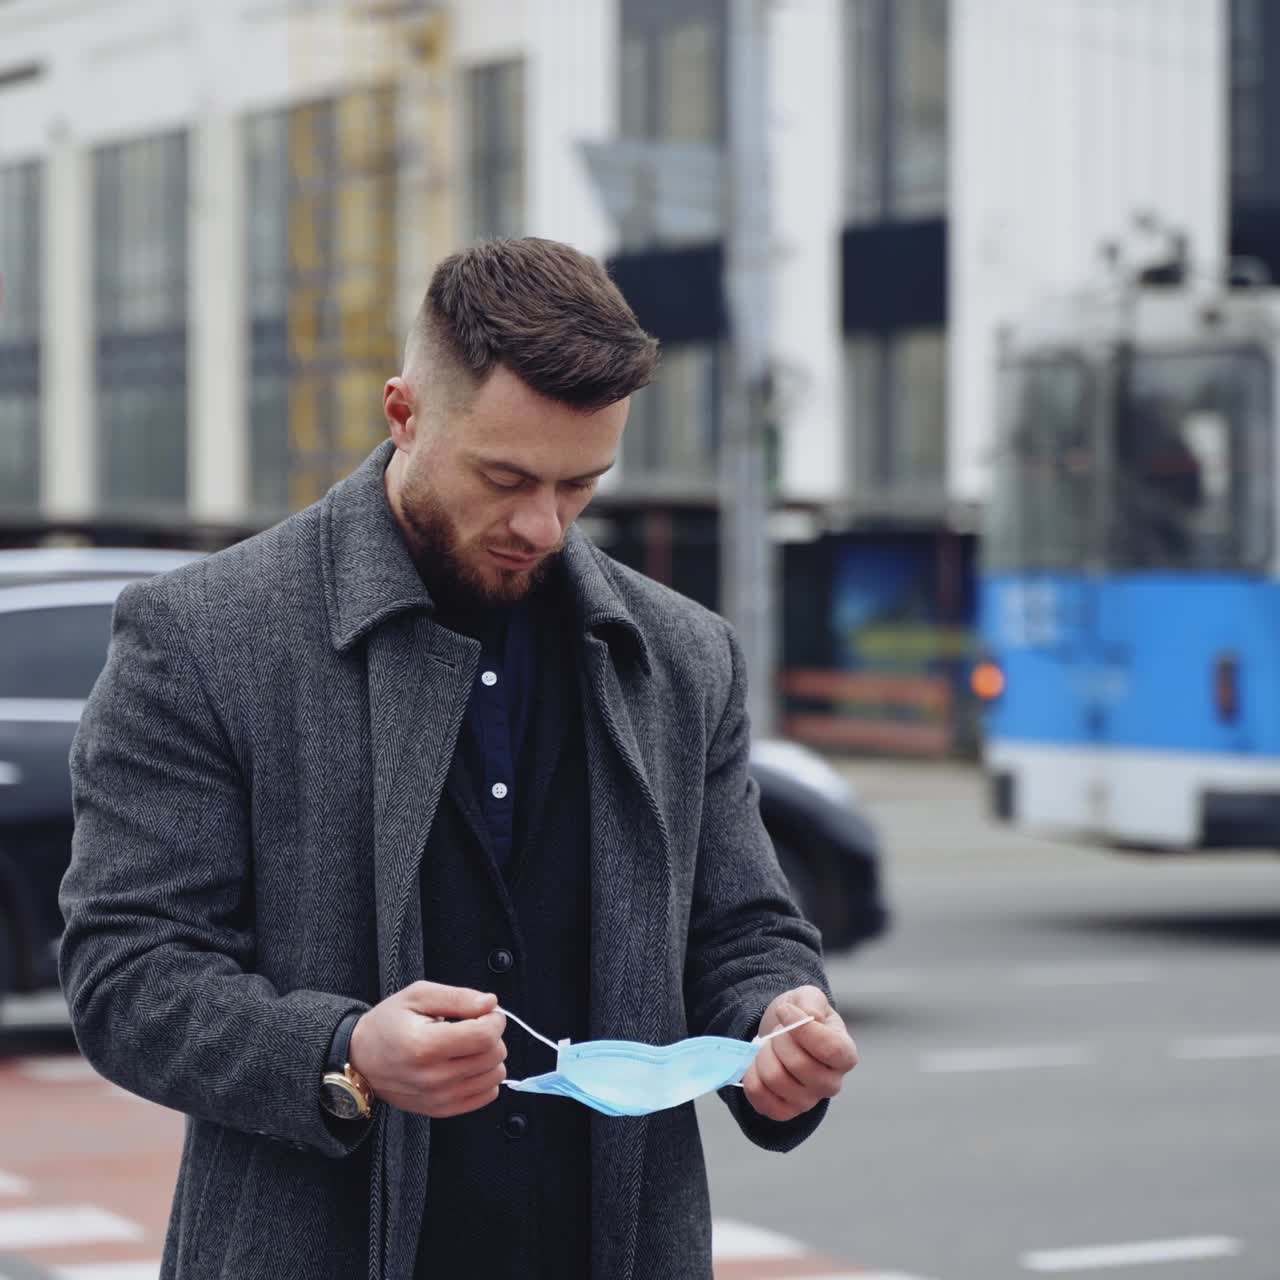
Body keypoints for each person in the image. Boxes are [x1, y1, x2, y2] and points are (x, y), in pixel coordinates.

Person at [59, 237, 857, 1280]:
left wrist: (777, 1019)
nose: (542, 524)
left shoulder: (681, 653)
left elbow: (743, 926)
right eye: (505, 476)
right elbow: (127, 971)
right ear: (403, 413)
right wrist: (341, 1053)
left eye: (581, 485)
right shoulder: (203, 634)